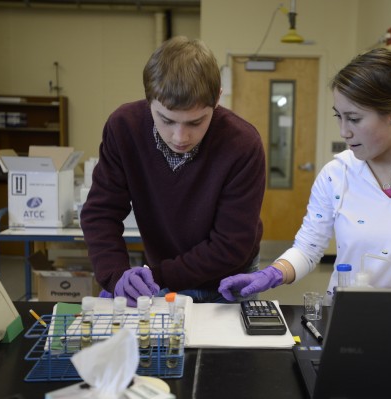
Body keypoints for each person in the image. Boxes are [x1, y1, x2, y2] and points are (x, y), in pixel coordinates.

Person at [219, 48, 391, 305]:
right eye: (339, 117)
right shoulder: (337, 173)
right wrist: (273, 274)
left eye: (354, 119)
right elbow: (308, 249)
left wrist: (383, 301)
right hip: (346, 317)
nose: (344, 131)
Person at [81, 36, 266, 306]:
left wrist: (155, 276)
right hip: (160, 277)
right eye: (166, 120)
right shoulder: (124, 128)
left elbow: (230, 244)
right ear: (149, 101)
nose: (180, 136)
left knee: (228, 349)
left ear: (217, 99)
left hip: (229, 278)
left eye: (196, 122)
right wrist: (116, 275)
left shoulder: (242, 143)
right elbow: (100, 212)